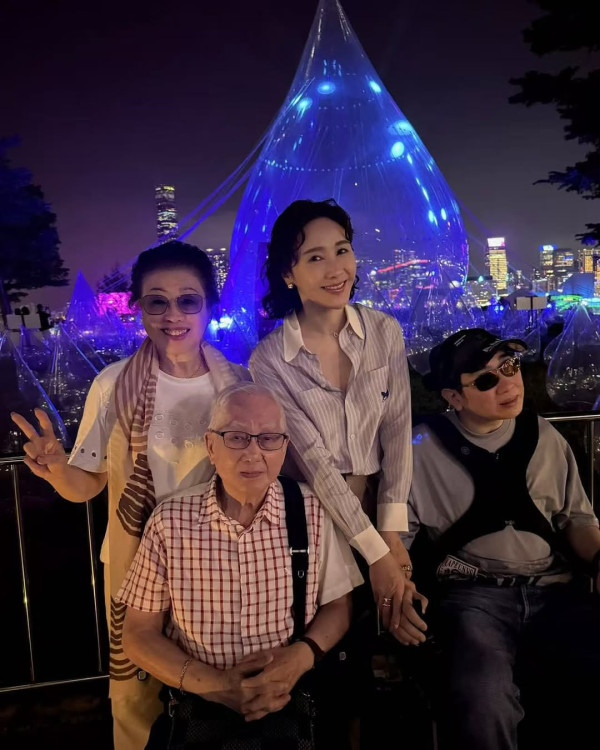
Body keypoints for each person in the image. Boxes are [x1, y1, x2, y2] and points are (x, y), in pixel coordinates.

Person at [11, 240, 250, 750]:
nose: (172, 315)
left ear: (209, 305)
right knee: (139, 702)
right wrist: (57, 469)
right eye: (156, 301)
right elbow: (86, 486)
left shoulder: (238, 386)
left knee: (221, 692)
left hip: (223, 565)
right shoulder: (114, 384)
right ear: (139, 307)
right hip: (138, 565)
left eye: (188, 300)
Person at [119, 382, 363, 748]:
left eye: (268, 439)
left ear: (284, 447)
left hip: (293, 701)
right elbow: (138, 634)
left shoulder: (309, 509)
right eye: (236, 437)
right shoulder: (170, 521)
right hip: (199, 705)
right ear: (210, 446)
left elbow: (339, 605)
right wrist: (217, 685)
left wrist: (300, 657)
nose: (253, 453)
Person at [398, 327, 600, 750]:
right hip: (474, 595)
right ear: (454, 397)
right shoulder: (419, 450)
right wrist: (397, 594)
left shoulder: (544, 436)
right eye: (486, 379)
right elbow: (398, 541)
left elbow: (576, 519)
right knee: (483, 699)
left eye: (510, 367)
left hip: (553, 587)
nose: (508, 384)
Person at [249, 199, 414, 633]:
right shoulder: (270, 360)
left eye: (342, 250)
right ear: (288, 273)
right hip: (313, 512)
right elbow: (313, 461)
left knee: (397, 619)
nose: (336, 269)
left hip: (380, 501)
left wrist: (390, 533)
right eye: (315, 258)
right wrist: (375, 551)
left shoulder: (384, 331)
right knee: (332, 629)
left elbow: (398, 430)